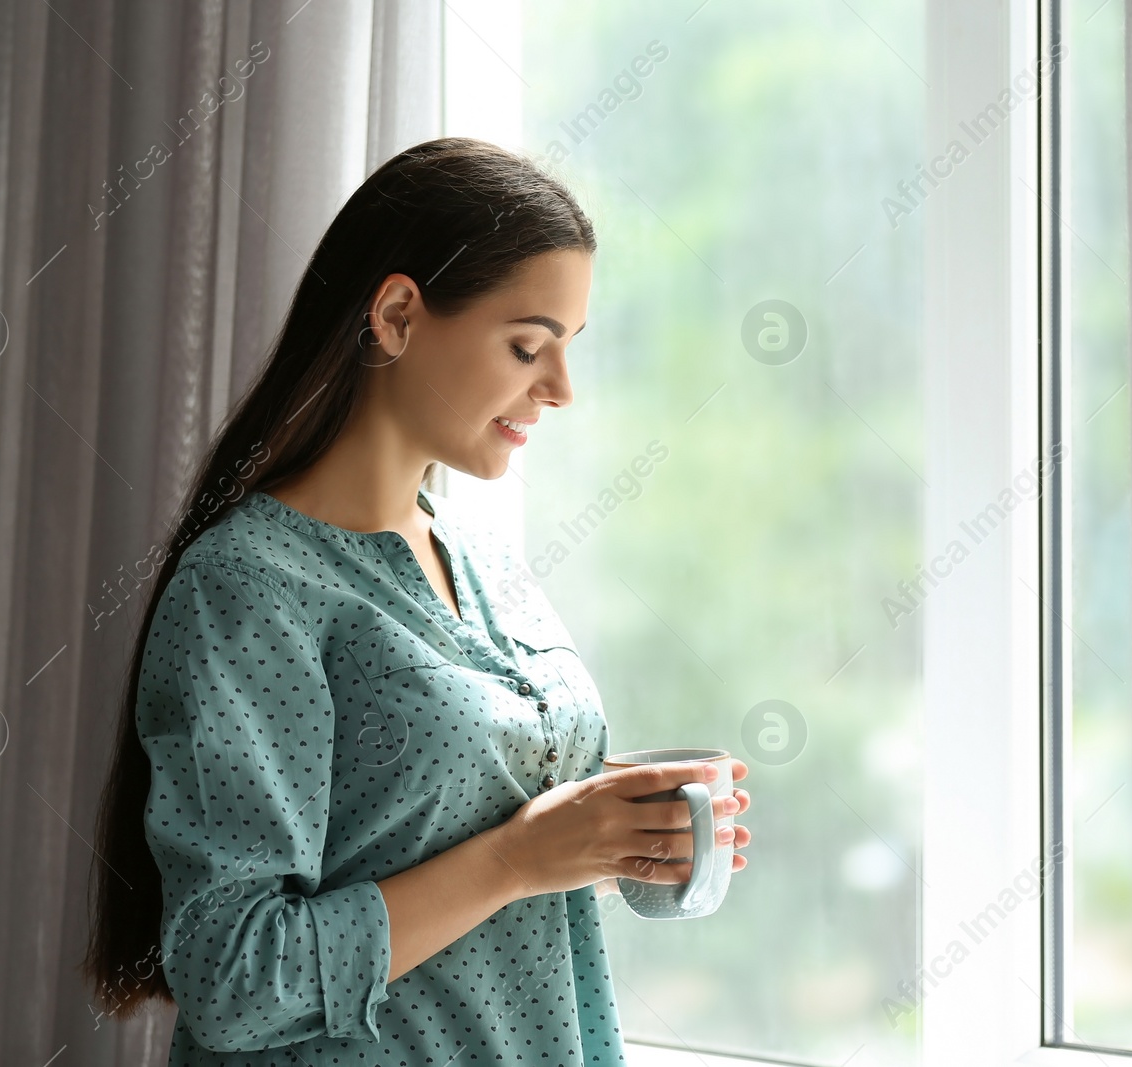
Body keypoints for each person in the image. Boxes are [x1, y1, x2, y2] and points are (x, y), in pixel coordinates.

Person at [81, 135, 753, 1065]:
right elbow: (234, 978)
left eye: (568, 351)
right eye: (529, 347)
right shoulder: (248, 588)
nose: (561, 390)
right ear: (397, 315)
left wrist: (619, 841)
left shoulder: (485, 558)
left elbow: (437, 836)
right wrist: (520, 859)